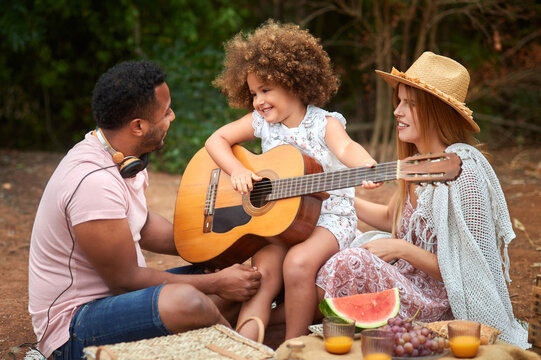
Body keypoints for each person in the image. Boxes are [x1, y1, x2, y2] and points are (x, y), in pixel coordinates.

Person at [28, 60, 262, 359]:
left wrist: (219, 244)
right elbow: (124, 280)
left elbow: (144, 225)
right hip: (73, 328)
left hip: (117, 302)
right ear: (138, 126)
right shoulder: (93, 183)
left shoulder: (122, 155)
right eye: (166, 112)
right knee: (190, 300)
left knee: (226, 277)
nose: (172, 116)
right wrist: (216, 282)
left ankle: (229, 338)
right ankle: (245, 353)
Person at [315, 51, 530, 348]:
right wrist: (330, 199)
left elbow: (468, 268)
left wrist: (401, 248)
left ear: (436, 112)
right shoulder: (416, 163)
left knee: (353, 259)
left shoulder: (463, 174)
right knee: (334, 237)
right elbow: (391, 218)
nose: (397, 112)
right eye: (399, 101)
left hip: (439, 302)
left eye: (410, 104)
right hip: (407, 283)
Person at [206, 20, 377, 342]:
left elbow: (346, 147)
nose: (258, 101)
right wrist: (237, 171)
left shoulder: (323, 123)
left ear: (295, 83)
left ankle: (293, 346)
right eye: (254, 92)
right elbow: (216, 140)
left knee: (297, 265)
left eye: (266, 90)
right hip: (280, 219)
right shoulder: (262, 124)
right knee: (263, 273)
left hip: (329, 218)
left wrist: (365, 164)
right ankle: (248, 343)